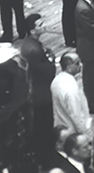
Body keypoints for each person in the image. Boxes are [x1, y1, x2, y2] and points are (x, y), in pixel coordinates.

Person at [19, 13, 56, 163]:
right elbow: (47, 70)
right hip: (41, 93)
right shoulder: (34, 50)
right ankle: (44, 155)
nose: (43, 27)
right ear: (33, 30)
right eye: (40, 25)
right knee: (43, 125)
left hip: (37, 90)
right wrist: (51, 60)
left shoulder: (29, 44)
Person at [52, 51, 92, 137]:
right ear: (69, 67)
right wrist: (85, 135)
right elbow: (76, 115)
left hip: (61, 125)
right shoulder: (71, 89)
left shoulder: (56, 80)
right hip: (72, 131)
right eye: (77, 63)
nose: (80, 65)